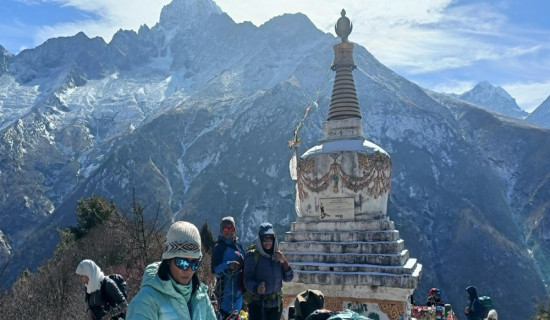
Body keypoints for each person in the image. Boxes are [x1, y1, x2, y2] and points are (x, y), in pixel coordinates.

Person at [126, 221, 217, 320]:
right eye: (182, 263)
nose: (189, 270)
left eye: (194, 264)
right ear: (168, 260)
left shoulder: (201, 297)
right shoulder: (146, 301)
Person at [244, 222, 294, 320]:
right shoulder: (252, 256)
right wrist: (256, 288)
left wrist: (284, 262)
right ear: (260, 239)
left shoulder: (278, 256)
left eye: (270, 238)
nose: (268, 242)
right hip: (258, 305)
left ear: (274, 239)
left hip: (276, 306)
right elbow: (247, 280)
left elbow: (289, 278)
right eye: (265, 239)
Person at [211, 216, 245, 320]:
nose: (229, 231)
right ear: (221, 230)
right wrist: (228, 264)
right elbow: (214, 271)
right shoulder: (219, 248)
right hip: (225, 295)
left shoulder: (238, 245)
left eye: (232, 229)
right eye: (226, 228)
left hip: (238, 295)